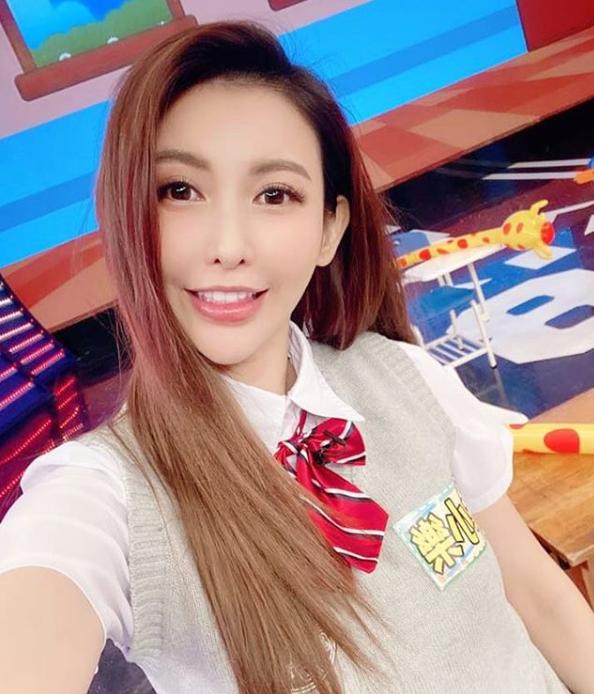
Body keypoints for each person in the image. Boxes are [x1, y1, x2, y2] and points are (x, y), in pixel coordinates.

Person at [1, 19, 593, 694]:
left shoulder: (404, 375)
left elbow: (538, 598)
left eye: (275, 195)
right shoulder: (107, 494)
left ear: (329, 229)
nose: (228, 246)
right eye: (180, 191)